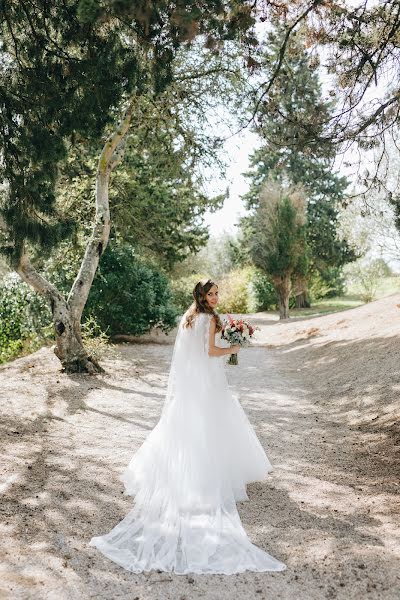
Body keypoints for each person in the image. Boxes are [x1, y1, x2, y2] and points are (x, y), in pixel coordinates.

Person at [89, 278, 286, 574]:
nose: (216, 297)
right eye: (211, 293)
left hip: (194, 385)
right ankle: (210, 479)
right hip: (207, 383)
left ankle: (173, 472)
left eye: (218, 292)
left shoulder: (189, 317)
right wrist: (233, 347)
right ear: (202, 296)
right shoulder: (207, 319)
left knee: (187, 430)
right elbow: (210, 352)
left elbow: (189, 355)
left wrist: (229, 337)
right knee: (212, 429)